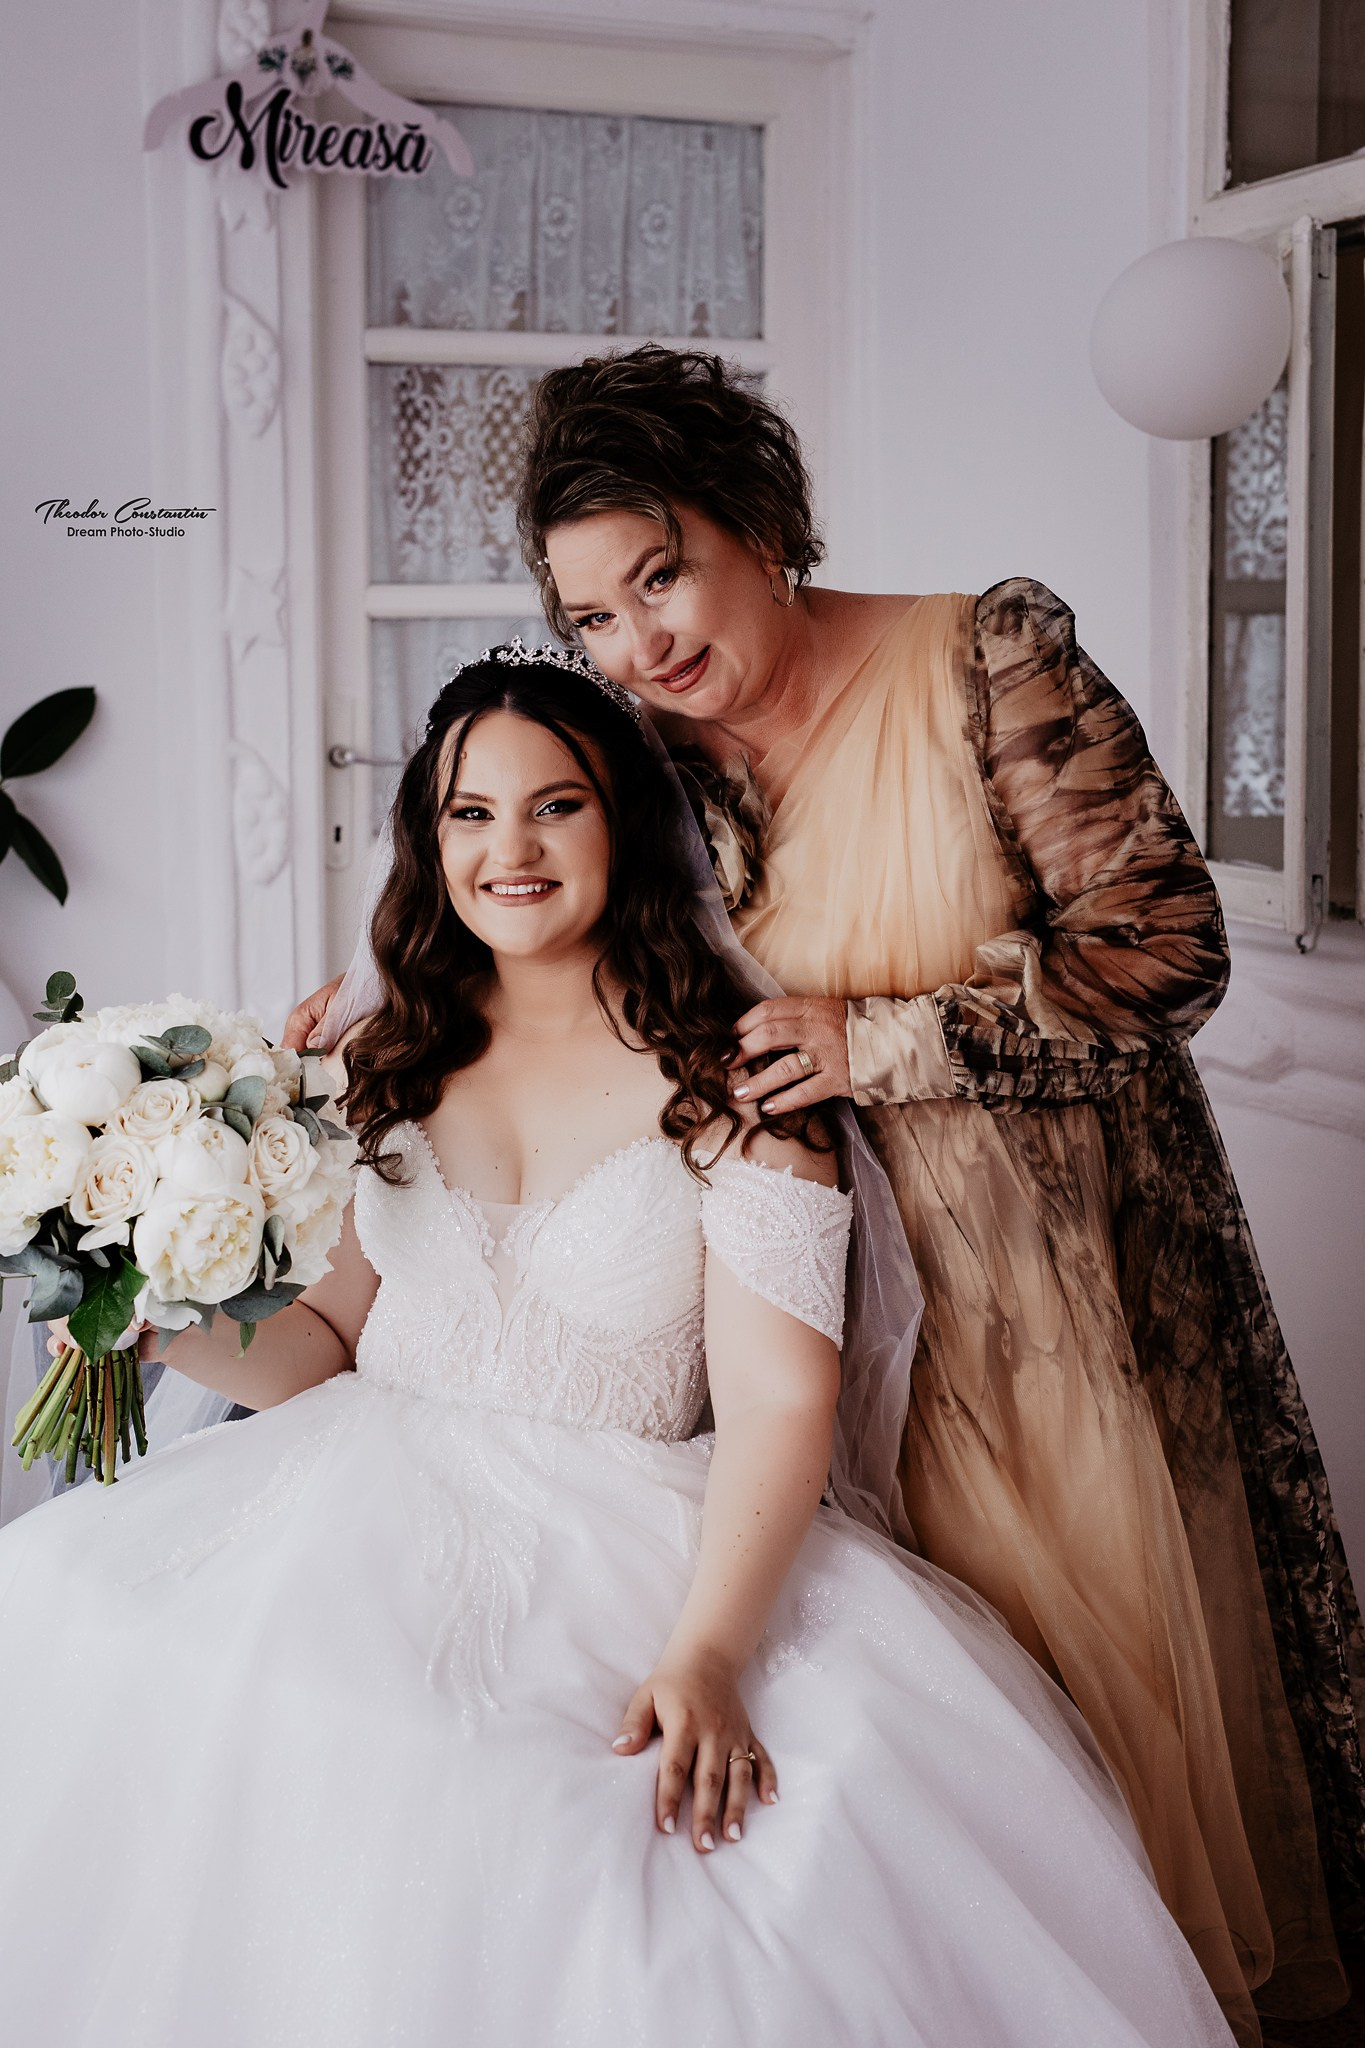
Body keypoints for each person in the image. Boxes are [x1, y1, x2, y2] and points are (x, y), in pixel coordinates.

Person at [284, 349, 1365, 2043]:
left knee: (1101, 1719)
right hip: (802, 1295)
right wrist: (365, 1005)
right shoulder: (650, 748)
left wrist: (881, 1037)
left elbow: (1166, 951)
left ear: (762, 524)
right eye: (593, 615)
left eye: (663, 575)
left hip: (1048, 1296)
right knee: (916, 1741)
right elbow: (510, 873)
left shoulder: (984, 659)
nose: (639, 642)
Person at [0, 650, 1234, 2048]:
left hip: (629, 1538)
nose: (508, 851)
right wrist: (163, 1331)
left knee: (586, 1841)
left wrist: (705, 1655)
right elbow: (327, 1348)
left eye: (555, 807)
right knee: (134, 1660)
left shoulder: (737, 1083)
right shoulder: (371, 1066)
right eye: (470, 814)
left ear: (624, 824)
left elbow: (777, 1408)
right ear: (428, 841)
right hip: (349, 1507)